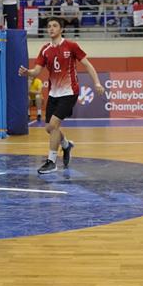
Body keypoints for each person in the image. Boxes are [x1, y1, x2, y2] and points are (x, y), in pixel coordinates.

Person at [18, 16, 105, 174]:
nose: (51, 28)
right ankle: (66, 145)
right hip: (54, 93)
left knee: (53, 125)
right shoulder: (45, 49)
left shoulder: (71, 46)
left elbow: (88, 65)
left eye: (55, 26)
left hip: (69, 92)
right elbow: (36, 71)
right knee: (49, 128)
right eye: (49, 26)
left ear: (61, 29)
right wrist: (27, 72)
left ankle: (51, 161)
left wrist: (97, 83)